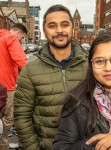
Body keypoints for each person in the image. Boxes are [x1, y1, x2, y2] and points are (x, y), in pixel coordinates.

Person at [52, 32, 111, 150]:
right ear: (91, 65)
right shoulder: (77, 102)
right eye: (99, 61)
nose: (108, 68)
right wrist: (99, 145)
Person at [14, 4, 88, 150]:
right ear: (44, 31)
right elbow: (22, 117)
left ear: (73, 28)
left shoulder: (91, 66)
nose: (59, 30)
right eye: (52, 26)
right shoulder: (29, 71)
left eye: (65, 24)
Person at [0, 23, 27, 149]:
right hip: (6, 87)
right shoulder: (11, 38)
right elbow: (21, 60)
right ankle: (3, 145)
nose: (20, 41)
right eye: (22, 38)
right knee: (8, 119)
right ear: (19, 33)